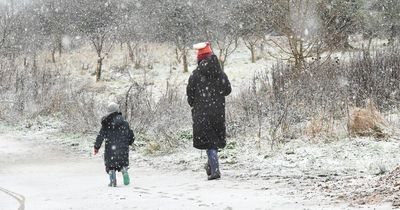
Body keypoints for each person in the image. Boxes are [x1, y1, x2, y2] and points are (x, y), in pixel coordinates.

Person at [186, 42, 232, 180]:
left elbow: (190, 96)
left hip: (202, 113)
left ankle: (215, 169)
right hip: (218, 111)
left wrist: (196, 104)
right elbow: (227, 90)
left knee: (209, 141)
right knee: (213, 140)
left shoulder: (195, 75)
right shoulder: (220, 73)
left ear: (199, 59)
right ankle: (211, 165)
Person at [94, 102, 135, 187]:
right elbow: (130, 134)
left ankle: (113, 180)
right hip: (123, 149)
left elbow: (100, 135)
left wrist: (96, 147)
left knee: (111, 166)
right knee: (122, 163)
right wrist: (130, 142)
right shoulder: (124, 122)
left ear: (108, 111)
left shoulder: (106, 123)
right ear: (117, 110)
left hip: (110, 149)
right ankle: (124, 170)